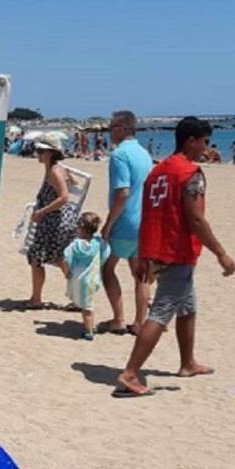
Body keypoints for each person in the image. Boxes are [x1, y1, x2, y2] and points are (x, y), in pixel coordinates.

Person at [116, 117, 235, 396]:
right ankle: (130, 374)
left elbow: (149, 215)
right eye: (204, 142)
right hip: (176, 251)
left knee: (187, 306)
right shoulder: (189, 173)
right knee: (160, 312)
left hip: (156, 248)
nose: (207, 149)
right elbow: (196, 219)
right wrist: (221, 254)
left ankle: (187, 362)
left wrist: (144, 253)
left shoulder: (157, 172)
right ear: (190, 141)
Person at [99, 110, 153, 334]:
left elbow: (122, 193)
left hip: (126, 221)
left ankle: (119, 318)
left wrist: (108, 224)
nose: (109, 132)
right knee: (140, 272)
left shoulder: (119, 155)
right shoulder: (144, 154)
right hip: (144, 220)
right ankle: (140, 322)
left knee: (107, 267)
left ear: (122, 128)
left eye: (111, 127)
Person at [25, 136, 77, 308]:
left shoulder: (54, 171)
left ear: (51, 153)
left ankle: (36, 299)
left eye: (41, 151)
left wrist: (42, 211)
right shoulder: (59, 168)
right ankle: (78, 298)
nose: (37, 154)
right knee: (61, 259)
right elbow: (73, 184)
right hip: (64, 220)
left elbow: (64, 197)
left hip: (55, 221)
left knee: (36, 257)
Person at [64, 212, 110, 340]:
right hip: (92, 278)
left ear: (80, 228)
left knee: (87, 308)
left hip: (78, 277)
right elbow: (106, 253)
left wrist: (67, 271)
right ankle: (89, 327)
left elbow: (67, 258)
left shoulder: (75, 244)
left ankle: (89, 331)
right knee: (87, 303)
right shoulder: (98, 243)